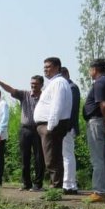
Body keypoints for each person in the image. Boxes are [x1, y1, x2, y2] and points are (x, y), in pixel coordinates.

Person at [0, 76, 45, 191]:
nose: (33, 86)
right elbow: (11, 90)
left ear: (41, 85)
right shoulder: (24, 95)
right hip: (25, 130)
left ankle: (38, 184)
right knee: (24, 157)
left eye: (35, 84)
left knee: (39, 158)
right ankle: (26, 184)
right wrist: (1, 83)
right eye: (31, 83)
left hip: (39, 129)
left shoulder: (45, 96)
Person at [33, 57, 72, 189]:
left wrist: (50, 126)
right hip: (48, 126)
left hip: (52, 126)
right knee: (52, 157)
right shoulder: (54, 83)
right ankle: (54, 186)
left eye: (48, 67)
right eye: (44, 67)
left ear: (57, 67)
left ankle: (55, 188)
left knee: (52, 159)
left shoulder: (59, 83)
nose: (45, 69)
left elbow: (57, 105)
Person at [83, 58, 105, 202]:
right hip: (103, 122)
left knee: (97, 159)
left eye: (90, 69)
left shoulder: (99, 83)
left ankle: (99, 191)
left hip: (96, 122)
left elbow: (103, 105)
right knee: (104, 159)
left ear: (95, 69)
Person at [60, 66, 81, 195]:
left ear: (66, 74)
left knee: (67, 155)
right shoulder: (68, 87)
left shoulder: (71, 88)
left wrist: (67, 127)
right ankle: (69, 183)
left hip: (67, 127)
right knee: (67, 155)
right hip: (66, 126)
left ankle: (69, 184)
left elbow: (72, 110)